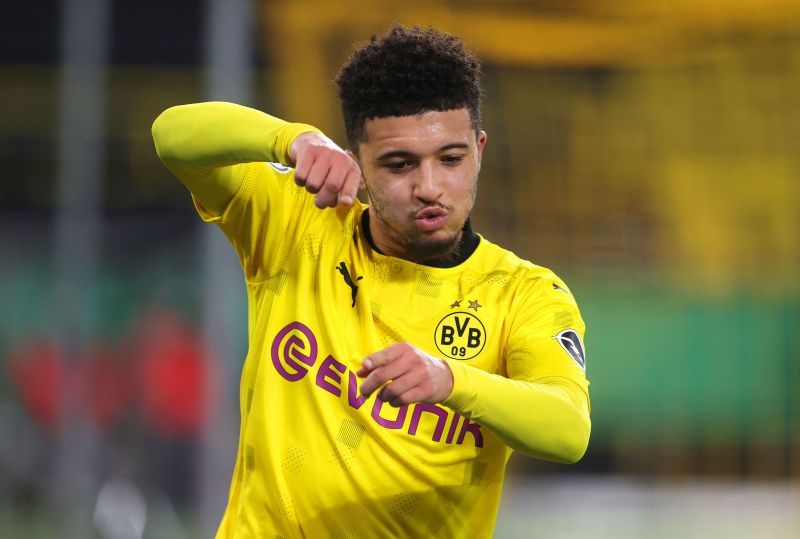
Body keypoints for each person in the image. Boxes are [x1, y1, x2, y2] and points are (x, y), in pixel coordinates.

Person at [152, 24, 590, 539]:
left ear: (480, 148)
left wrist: (453, 381)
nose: (430, 188)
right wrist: (290, 139)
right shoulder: (295, 224)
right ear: (358, 162)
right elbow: (171, 136)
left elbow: (568, 429)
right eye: (399, 165)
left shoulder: (523, 293)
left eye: (450, 159)